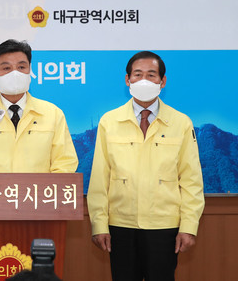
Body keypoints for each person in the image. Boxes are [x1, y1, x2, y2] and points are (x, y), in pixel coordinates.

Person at [87, 51, 205, 281]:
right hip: (120, 224)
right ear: (127, 79)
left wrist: (189, 226)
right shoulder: (109, 121)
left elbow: (191, 180)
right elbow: (100, 178)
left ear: (163, 81)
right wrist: (99, 224)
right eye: (137, 74)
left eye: (151, 75)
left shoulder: (180, 122)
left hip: (164, 226)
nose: (144, 80)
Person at [0, 39, 78, 173]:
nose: (15, 74)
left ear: (30, 71)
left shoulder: (53, 114)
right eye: (6, 68)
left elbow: (65, 165)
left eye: (21, 67)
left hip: (40, 188)